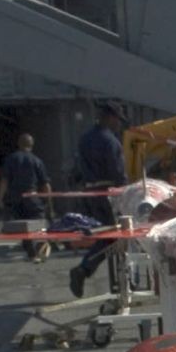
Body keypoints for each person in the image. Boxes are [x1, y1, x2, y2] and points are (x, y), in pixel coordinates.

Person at [68, 103, 127, 297]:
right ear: (110, 118)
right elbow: (117, 173)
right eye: (118, 119)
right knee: (114, 237)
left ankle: (116, 278)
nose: (119, 124)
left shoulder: (84, 139)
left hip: (90, 194)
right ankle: (84, 269)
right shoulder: (110, 141)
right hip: (107, 195)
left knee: (107, 235)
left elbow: (77, 170)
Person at [0, 133, 53, 261]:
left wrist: (0, 197)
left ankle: (31, 252)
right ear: (32, 145)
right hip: (32, 197)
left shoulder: (11, 159)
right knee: (39, 223)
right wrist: (48, 201)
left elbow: (4, 180)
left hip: (15, 198)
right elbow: (45, 183)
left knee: (23, 227)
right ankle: (40, 247)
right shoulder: (37, 161)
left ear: (19, 144)